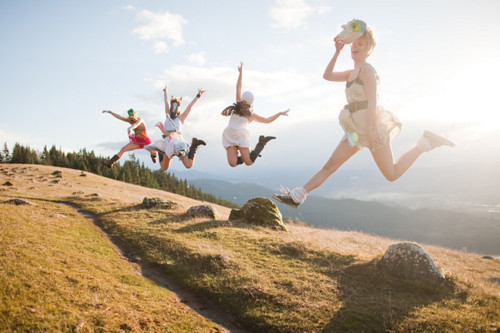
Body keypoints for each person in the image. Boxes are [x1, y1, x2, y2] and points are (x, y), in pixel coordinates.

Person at [273, 19, 455, 208]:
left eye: (361, 44)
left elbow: (372, 102)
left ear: (370, 48)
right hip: (354, 129)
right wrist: (337, 52)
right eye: (353, 43)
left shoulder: (367, 71)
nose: (355, 47)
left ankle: (424, 144)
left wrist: (369, 130)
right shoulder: (352, 72)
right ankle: (297, 196)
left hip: (371, 127)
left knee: (391, 173)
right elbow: (327, 75)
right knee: (331, 165)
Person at [222, 62, 289, 167]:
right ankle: (243, 154)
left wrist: (279, 114)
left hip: (241, 137)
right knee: (232, 163)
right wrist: (241, 73)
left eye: (244, 102)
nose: (242, 103)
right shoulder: (238, 105)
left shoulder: (251, 115)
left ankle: (261, 143)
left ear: (248, 103)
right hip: (230, 136)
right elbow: (238, 88)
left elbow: (267, 120)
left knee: (249, 162)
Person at [145, 85, 206, 171]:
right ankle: (160, 152)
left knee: (189, 165)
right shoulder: (167, 116)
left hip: (178, 144)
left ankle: (194, 145)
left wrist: (198, 95)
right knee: (164, 167)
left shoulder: (181, 118)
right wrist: (165, 92)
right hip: (168, 144)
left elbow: (190, 107)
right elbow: (166, 103)